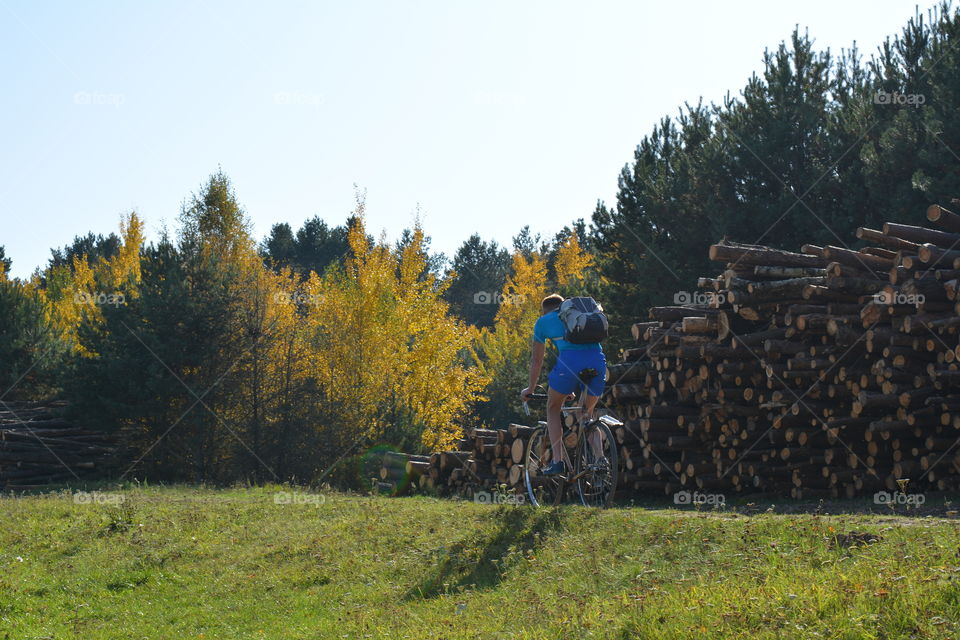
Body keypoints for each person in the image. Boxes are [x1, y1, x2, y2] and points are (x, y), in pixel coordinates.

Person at [519, 293, 606, 475]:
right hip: (598, 363)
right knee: (586, 416)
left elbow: (536, 361)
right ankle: (600, 459)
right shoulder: (583, 316)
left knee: (552, 407)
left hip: (569, 365)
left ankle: (558, 462)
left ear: (545, 310)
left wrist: (531, 389)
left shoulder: (543, 322)